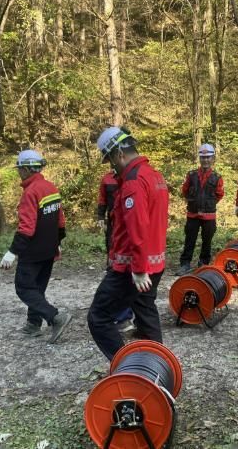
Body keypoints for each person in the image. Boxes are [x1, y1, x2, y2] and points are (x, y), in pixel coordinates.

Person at [88, 127, 169, 360]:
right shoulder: (155, 176)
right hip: (155, 263)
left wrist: (139, 269)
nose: (112, 167)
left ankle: (126, 367)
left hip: (132, 269)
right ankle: (157, 365)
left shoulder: (133, 182)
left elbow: (138, 228)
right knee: (145, 313)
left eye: (111, 161)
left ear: (119, 154)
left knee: (98, 317)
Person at [0, 150, 72, 344]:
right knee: (37, 287)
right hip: (49, 249)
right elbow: (60, 220)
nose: (18, 172)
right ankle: (33, 324)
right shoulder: (51, 187)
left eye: (19, 169)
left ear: (26, 169)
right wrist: (57, 243)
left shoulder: (30, 192)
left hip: (32, 252)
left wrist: (12, 252)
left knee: (24, 287)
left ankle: (56, 317)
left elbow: (26, 228)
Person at [175, 144, 225, 276]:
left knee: (207, 241)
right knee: (189, 240)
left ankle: (203, 263)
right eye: (203, 157)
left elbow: (219, 194)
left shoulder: (217, 177)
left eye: (208, 157)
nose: (205, 160)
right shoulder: (191, 175)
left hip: (209, 215)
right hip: (192, 214)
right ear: (199, 158)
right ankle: (185, 264)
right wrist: (194, 202)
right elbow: (185, 190)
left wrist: (208, 203)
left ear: (213, 158)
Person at [96, 169, 135, 333]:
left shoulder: (134, 177)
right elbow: (102, 199)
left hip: (129, 225)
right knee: (114, 266)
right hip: (114, 225)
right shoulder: (107, 179)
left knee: (124, 270)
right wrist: (100, 217)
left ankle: (125, 316)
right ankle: (119, 312)